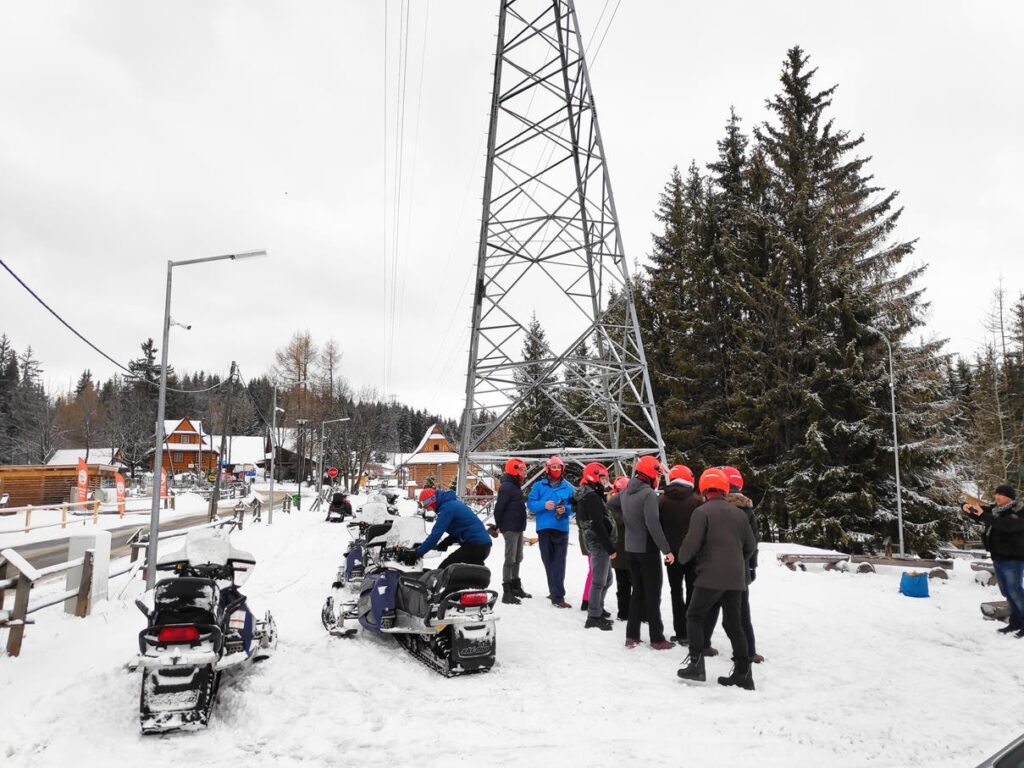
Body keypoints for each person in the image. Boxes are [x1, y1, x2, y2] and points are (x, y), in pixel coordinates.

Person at [676, 468, 757, 690]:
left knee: (694, 615)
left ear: (703, 488)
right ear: (724, 488)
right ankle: (743, 673)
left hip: (710, 575)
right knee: (734, 624)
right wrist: (738, 562)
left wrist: (682, 557)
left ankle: (696, 664)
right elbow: (751, 546)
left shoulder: (702, 512)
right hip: (736, 577)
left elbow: (690, 546)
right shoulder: (739, 514)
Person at [621, 455, 675, 650]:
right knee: (653, 594)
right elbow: (653, 524)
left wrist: (630, 522)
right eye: (658, 474)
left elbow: (612, 504)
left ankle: (632, 636)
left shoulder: (626, 490)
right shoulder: (649, 494)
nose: (659, 478)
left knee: (638, 593)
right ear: (652, 473)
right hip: (647, 549)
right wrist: (666, 550)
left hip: (630, 548)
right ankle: (657, 638)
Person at [962, 484, 1024, 637]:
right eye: (996, 494)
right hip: (998, 558)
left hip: (1013, 560)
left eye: (1001, 495)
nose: (997, 497)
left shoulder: (1019, 512)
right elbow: (981, 513)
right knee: (1007, 592)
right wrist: (965, 507)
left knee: (1015, 592)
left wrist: (982, 514)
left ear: (1009, 497)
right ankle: (1015, 622)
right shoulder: (996, 510)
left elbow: (1007, 525)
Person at [660, 464, 702, 643]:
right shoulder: (697, 500)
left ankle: (680, 632)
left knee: (675, 592)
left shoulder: (661, 500)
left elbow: (657, 526)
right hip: (693, 554)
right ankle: (692, 630)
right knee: (693, 591)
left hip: (671, 554)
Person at [527, 456, 576, 608]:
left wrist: (565, 509)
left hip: (561, 529)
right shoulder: (538, 486)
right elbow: (530, 504)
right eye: (553, 468)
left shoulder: (568, 487)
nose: (556, 470)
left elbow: (574, 507)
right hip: (544, 529)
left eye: (558, 468)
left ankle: (558, 597)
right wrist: (543, 505)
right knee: (548, 561)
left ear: (562, 469)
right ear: (548, 469)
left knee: (559, 563)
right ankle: (553, 590)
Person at [403, 488, 492, 568]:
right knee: (459, 574)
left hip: (476, 546)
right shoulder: (450, 504)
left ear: (432, 500)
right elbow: (462, 528)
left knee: (444, 571)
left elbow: (435, 535)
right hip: (482, 545)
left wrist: (417, 553)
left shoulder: (446, 508)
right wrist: (447, 542)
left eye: (425, 504)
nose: (427, 509)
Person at [576, 462, 616, 630]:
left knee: (607, 579)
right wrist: (610, 547)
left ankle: (598, 608)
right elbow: (598, 524)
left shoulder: (591, 493)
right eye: (602, 477)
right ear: (593, 476)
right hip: (598, 542)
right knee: (599, 580)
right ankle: (593, 615)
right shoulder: (591, 496)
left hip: (597, 541)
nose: (605, 481)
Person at [493, 457, 532, 605]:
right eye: (521, 470)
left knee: (518, 557)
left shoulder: (514, 485)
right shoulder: (507, 487)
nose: (524, 473)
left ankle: (516, 586)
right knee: (510, 559)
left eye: (524, 470)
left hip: (518, 527)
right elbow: (499, 509)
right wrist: (499, 525)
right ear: (513, 470)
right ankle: (507, 591)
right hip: (510, 528)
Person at [608, 475, 633, 620]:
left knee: (625, 585)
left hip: (622, 553)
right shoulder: (614, 508)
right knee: (624, 585)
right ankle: (624, 612)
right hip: (622, 552)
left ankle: (626, 612)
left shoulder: (612, 506)